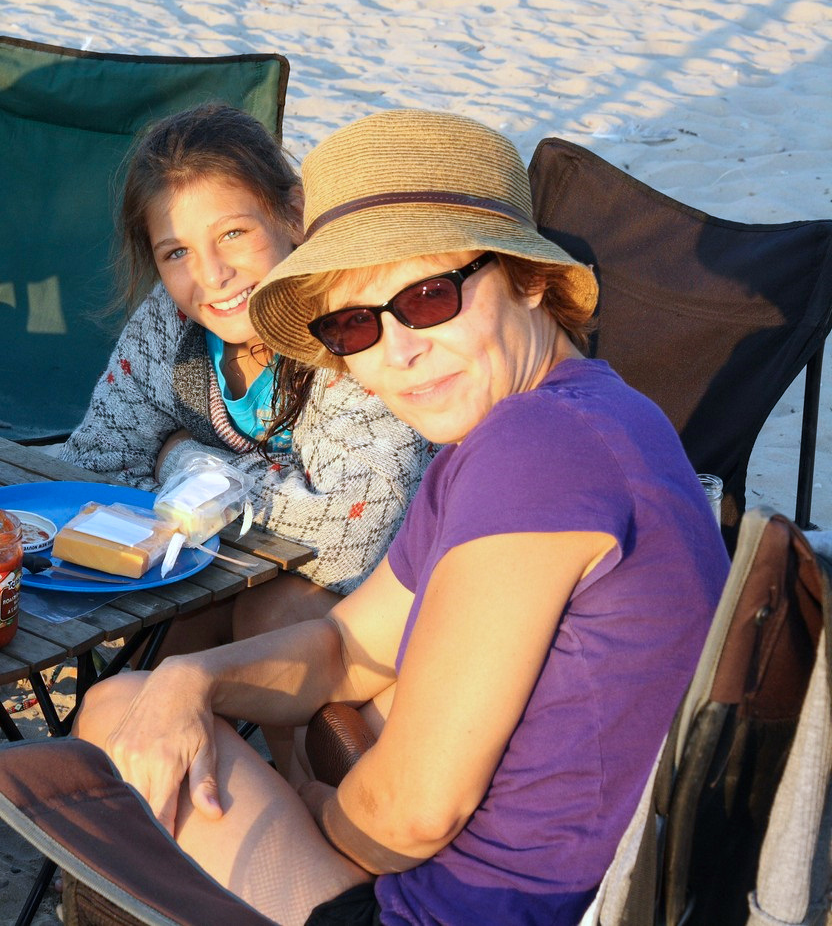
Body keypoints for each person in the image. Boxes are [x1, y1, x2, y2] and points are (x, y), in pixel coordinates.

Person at [72, 109, 729, 925]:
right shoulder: (569, 423)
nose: (398, 351)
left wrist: (309, 807)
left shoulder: (537, 450)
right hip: (507, 887)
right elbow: (347, 646)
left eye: (428, 297)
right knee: (134, 707)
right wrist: (191, 679)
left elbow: (412, 813)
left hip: (450, 909)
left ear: (528, 277)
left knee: (112, 738)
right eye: (354, 324)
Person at [60, 103, 431, 641]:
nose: (212, 275)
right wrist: (223, 493)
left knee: (271, 617)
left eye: (233, 233)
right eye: (177, 252)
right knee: (170, 610)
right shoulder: (170, 324)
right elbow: (91, 469)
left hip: (408, 586)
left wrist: (182, 462)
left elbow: (350, 540)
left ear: (293, 215)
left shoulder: (351, 333)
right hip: (249, 562)